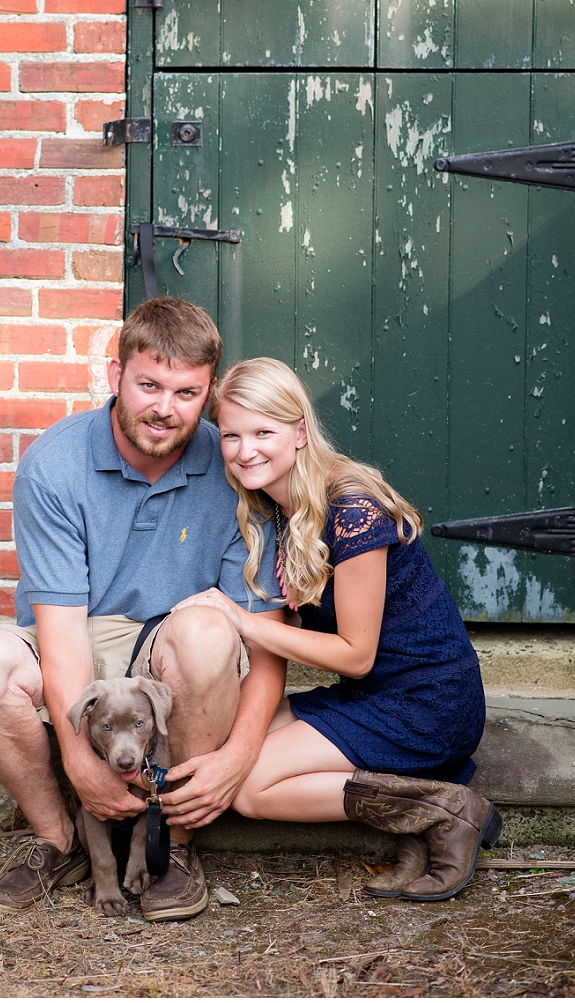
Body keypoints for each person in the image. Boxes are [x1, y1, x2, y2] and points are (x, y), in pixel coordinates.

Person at [0, 297, 288, 921]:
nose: (163, 407)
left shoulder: (236, 465)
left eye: (186, 392)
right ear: (115, 378)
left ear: (207, 394)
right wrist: (80, 761)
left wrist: (237, 760)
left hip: (165, 639)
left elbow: (265, 638)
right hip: (74, 631)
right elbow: (63, 628)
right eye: (148, 384)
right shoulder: (55, 464)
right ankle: (58, 839)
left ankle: (173, 846)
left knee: (211, 632)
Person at [175, 355, 497, 902]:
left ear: (299, 431)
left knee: (250, 787)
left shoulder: (351, 509)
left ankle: (441, 811)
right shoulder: (276, 508)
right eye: (230, 434)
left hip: (428, 703)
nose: (244, 449)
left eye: (263, 432)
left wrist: (241, 622)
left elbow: (355, 654)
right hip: (370, 698)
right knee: (234, 737)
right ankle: (407, 825)